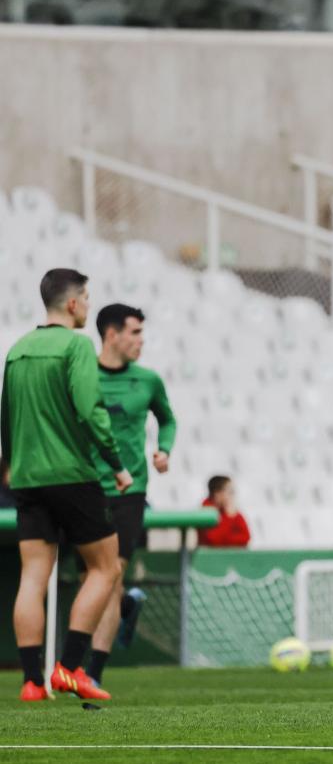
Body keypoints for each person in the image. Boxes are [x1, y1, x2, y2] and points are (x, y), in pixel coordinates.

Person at [2, 268, 131, 702]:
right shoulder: (76, 346)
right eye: (88, 299)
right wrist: (116, 463)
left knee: (33, 577)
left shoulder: (17, 350)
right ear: (73, 304)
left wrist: (14, 467)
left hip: (26, 477)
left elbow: (7, 416)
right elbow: (90, 410)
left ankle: (31, 682)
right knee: (106, 568)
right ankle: (70, 668)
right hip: (71, 476)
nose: (89, 307)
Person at [83, 303, 177, 687]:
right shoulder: (81, 375)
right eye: (135, 332)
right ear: (111, 335)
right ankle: (126, 605)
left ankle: (93, 676)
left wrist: (165, 450)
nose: (142, 340)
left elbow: (168, 418)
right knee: (96, 578)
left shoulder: (149, 380)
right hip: (85, 488)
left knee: (110, 572)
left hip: (130, 490)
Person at [198, 476, 251, 548]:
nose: (232, 495)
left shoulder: (231, 511)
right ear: (217, 493)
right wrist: (229, 517)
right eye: (230, 492)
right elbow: (213, 540)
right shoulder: (206, 511)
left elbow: (246, 537)